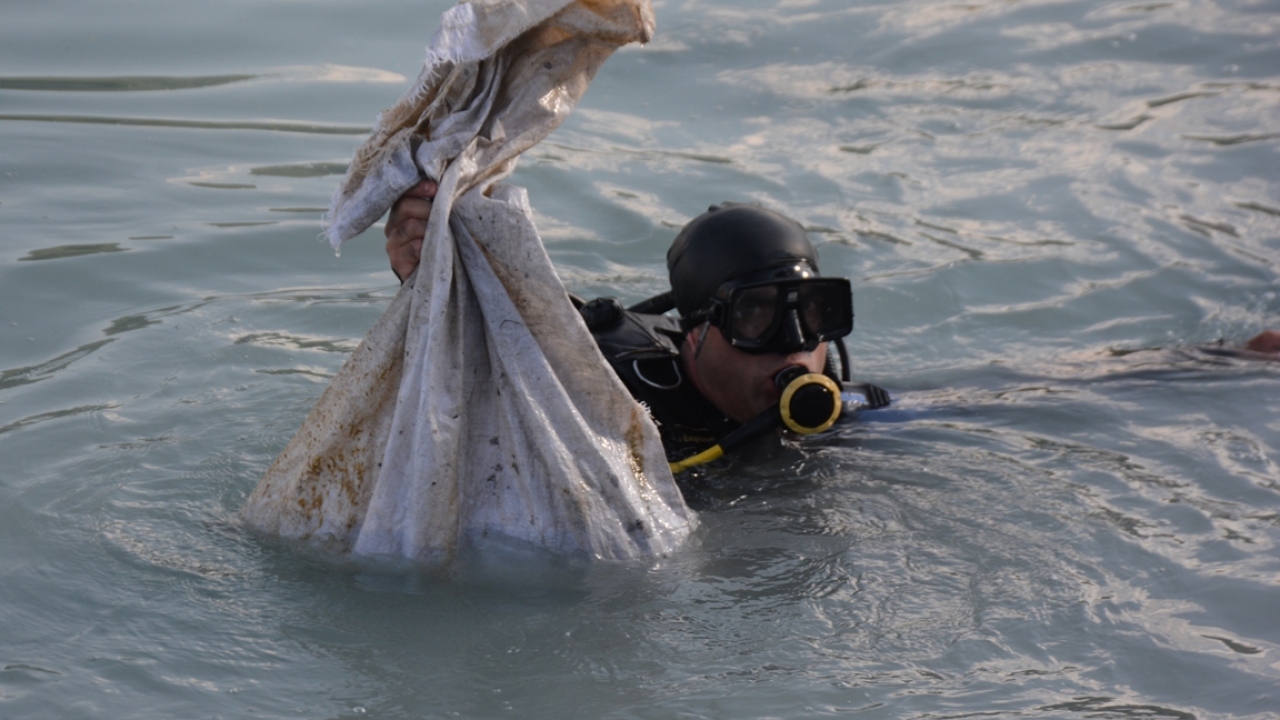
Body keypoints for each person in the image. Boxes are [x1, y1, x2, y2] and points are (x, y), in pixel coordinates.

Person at [385, 180, 889, 464]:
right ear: (695, 332)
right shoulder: (609, 394)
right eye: (755, 314)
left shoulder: (840, 408)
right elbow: (487, 341)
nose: (795, 346)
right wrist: (429, 271)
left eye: (813, 311)